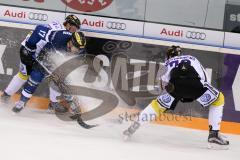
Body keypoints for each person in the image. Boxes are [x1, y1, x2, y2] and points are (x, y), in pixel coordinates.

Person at [123, 45, 229, 149]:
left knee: (157, 106)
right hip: (195, 84)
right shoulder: (192, 58)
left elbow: (161, 86)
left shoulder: (167, 63)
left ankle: (133, 127)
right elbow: (205, 77)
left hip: (175, 87)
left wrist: (171, 97)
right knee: (219, 99)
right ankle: (214, 134)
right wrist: (197, 93)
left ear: (168, 56)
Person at [1, 15, 81, 110]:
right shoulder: (60, 32)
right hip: (29, 52)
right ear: (68, 24)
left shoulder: (66, 34)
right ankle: (6, 95)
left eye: (77, 28)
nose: (75, 30)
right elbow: (39, 29)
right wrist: (30, 48)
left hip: (42, 54)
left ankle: (53, 103)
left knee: (55, 77)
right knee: (24, 75)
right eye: (74, 27)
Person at [11, 30, 86, 113]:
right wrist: (29, 46)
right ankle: (22, 102)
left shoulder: (81, 51)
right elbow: (39, 30)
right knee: (34, 79)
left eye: (80, 48)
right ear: (71, 42)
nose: (78, 50)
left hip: (59, 67)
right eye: (77, 47)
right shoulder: (59, 36)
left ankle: (69, 102)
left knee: (64, 83)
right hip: (44, 60)